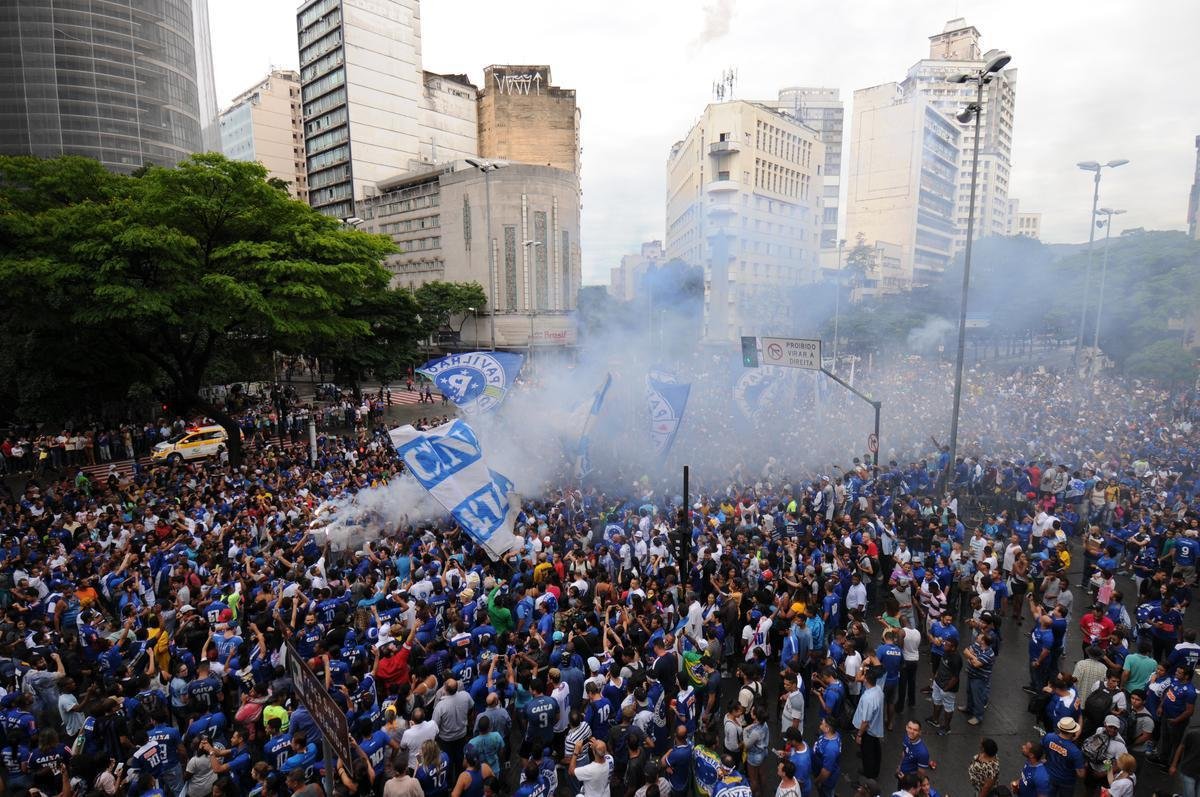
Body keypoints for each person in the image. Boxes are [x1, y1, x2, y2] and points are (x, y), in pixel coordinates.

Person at [852, 666, 886, 779]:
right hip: (875, 729)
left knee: (868, 754)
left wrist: (859, 734)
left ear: (865, 679)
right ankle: (874, 771)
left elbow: (865, 721)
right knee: (876, 751)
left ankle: (869, 775)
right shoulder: (879, 690)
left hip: (868, 731)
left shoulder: (868, 698)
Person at [1042, 717, 1086, 797]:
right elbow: (1081, 774)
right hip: (1066, 782)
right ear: (1072, 732)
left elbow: (1041, 749)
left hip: (1049, 775)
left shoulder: (1049, 737)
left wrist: (1046, 759)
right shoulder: (1075, 752)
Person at [926, 638, 960, 736]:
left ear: (953, 647)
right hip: (938, 683)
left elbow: (955, 677)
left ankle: (947, 727)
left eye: (947, 644)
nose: (944, 645)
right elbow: (941, 665)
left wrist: (946, 688)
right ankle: (935, 719)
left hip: (948, 688)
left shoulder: (956, 659)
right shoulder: (945, 652)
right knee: (936, 700)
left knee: (948, 707)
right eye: (945, 643)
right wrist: (936, 677)